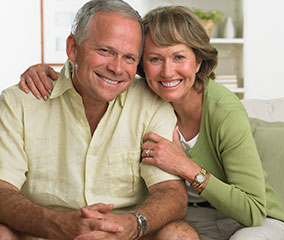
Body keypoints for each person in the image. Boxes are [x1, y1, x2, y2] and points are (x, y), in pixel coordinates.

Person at [19, 5, 284, 240]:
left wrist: (187, 167)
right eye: (155, 59)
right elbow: (99, 65)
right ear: (141, 65)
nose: (168, 72)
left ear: (197, 61)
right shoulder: (140, 96)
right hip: (189, 220)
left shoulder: (223, 110)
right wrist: (47, 71)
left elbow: (252, 210)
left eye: (179, 57)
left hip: (251, 221)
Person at [0, 1, 200, 239]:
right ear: (73, 47)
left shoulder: (151, 103)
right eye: (105, 51)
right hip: (43, 232)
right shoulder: (19, 102)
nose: (116, 68)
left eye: (128, 58)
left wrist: (132, 224)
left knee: (179, 233)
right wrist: (57, 224)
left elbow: (172, 193)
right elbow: (2, 189)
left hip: (126, 233)